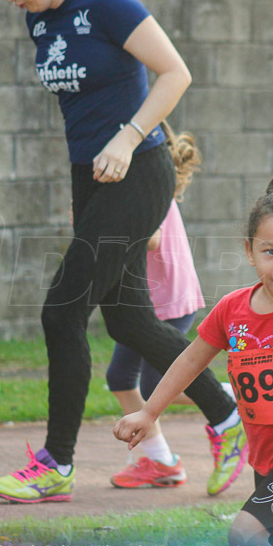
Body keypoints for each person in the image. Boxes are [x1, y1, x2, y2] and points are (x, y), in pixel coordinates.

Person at [0, 0, 246, 504]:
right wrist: (84, 194)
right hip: (94, 180)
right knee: (128, 320)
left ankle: (56, 464)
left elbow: (175, 73)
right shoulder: (40, 21)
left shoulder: (108, 5)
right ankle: (228, 417)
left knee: (61, 311)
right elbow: (78, 115)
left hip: (139, 171)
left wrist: (127, 139)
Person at [114, 169, 273, 546]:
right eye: (270, 252)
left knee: (245, 532)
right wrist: (149, 412)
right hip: (265, 458)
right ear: (250, 251)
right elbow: (189, 361)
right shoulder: (232, 309)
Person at [104, 124, 207, 489]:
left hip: (168, 301)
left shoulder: (149, 183)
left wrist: (99, 222)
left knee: (152, 385)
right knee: (119, 378)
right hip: (146, 303)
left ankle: (235, 397)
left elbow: (151, 239)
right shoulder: (137, 183)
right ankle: (160, 460)